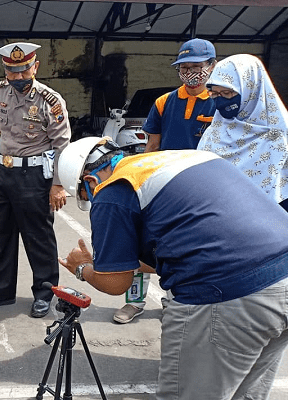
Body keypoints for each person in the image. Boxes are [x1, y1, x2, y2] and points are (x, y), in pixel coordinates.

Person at [57, 137, 288, 399]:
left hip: (229, 293)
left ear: (90, 181)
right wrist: (110, 265)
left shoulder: (114, 190)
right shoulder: (180, 159)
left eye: (88, 197)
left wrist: (82, 268)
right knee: (245, 394)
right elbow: (188, 247)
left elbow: (116, 284)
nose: (93, 202)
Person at [0, 42, 71, 318]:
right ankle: (2, 291)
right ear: (5, 71)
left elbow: (62, 145)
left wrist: (58, 185)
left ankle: (45, 293)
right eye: (13, 72)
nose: (19, 77)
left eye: (24, 71)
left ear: (35, 67)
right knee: (4, 235)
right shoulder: (1, 91)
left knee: (38, 237)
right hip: (4, 174)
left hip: (34, 177)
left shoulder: (50, 100)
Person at [113, 38, 218, 324]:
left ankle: (176, 302)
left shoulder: (221, 103)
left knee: (190, 250)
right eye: (184, 67)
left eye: (197, 66)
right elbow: (151, 147)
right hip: (166, 185)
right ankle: (134, 302)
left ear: (212, 66)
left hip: (207, 188)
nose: (190, 73)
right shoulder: (164, 102)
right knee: (144, 241)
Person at [197, 53, 288, 213]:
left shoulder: (278, 138)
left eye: (227, 93)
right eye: (215, 94)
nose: (220, 100)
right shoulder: (213, 133)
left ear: (251, 89)